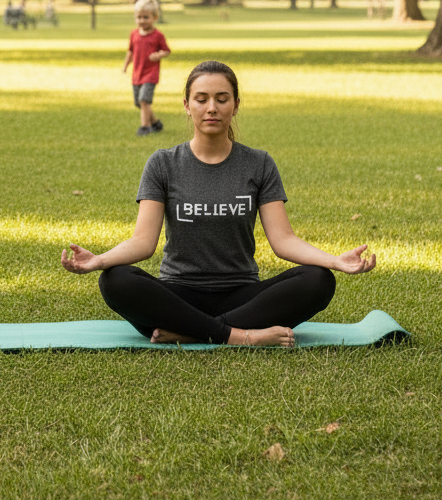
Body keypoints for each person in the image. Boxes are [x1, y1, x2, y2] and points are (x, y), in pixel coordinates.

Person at [62, 60, 376, 347]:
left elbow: (284, 241)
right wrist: (99, 261)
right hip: (178, 297)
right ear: (187, 105)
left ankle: (191, 333)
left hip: (242, 296)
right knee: (116, 280)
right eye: (201, 99)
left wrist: (333, 261)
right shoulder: (163, 164)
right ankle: (240, 336)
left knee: (318, 280)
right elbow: (143, 243)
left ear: (235, 105)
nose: (211, 108)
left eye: (222, 99)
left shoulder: (258, 164)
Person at [122, 0, 171, 136]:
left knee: (144, 100)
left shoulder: (157, 35)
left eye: (146, 17)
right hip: (137, 73)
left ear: (154, 17)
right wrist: (125, 66)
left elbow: (167, 50)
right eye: (139, 17)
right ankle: (155, 122)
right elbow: (130, 51)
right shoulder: (134, 34)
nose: (142, 21)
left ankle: (145, 127)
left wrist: (158, 55)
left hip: (151, 73)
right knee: (139, 103)